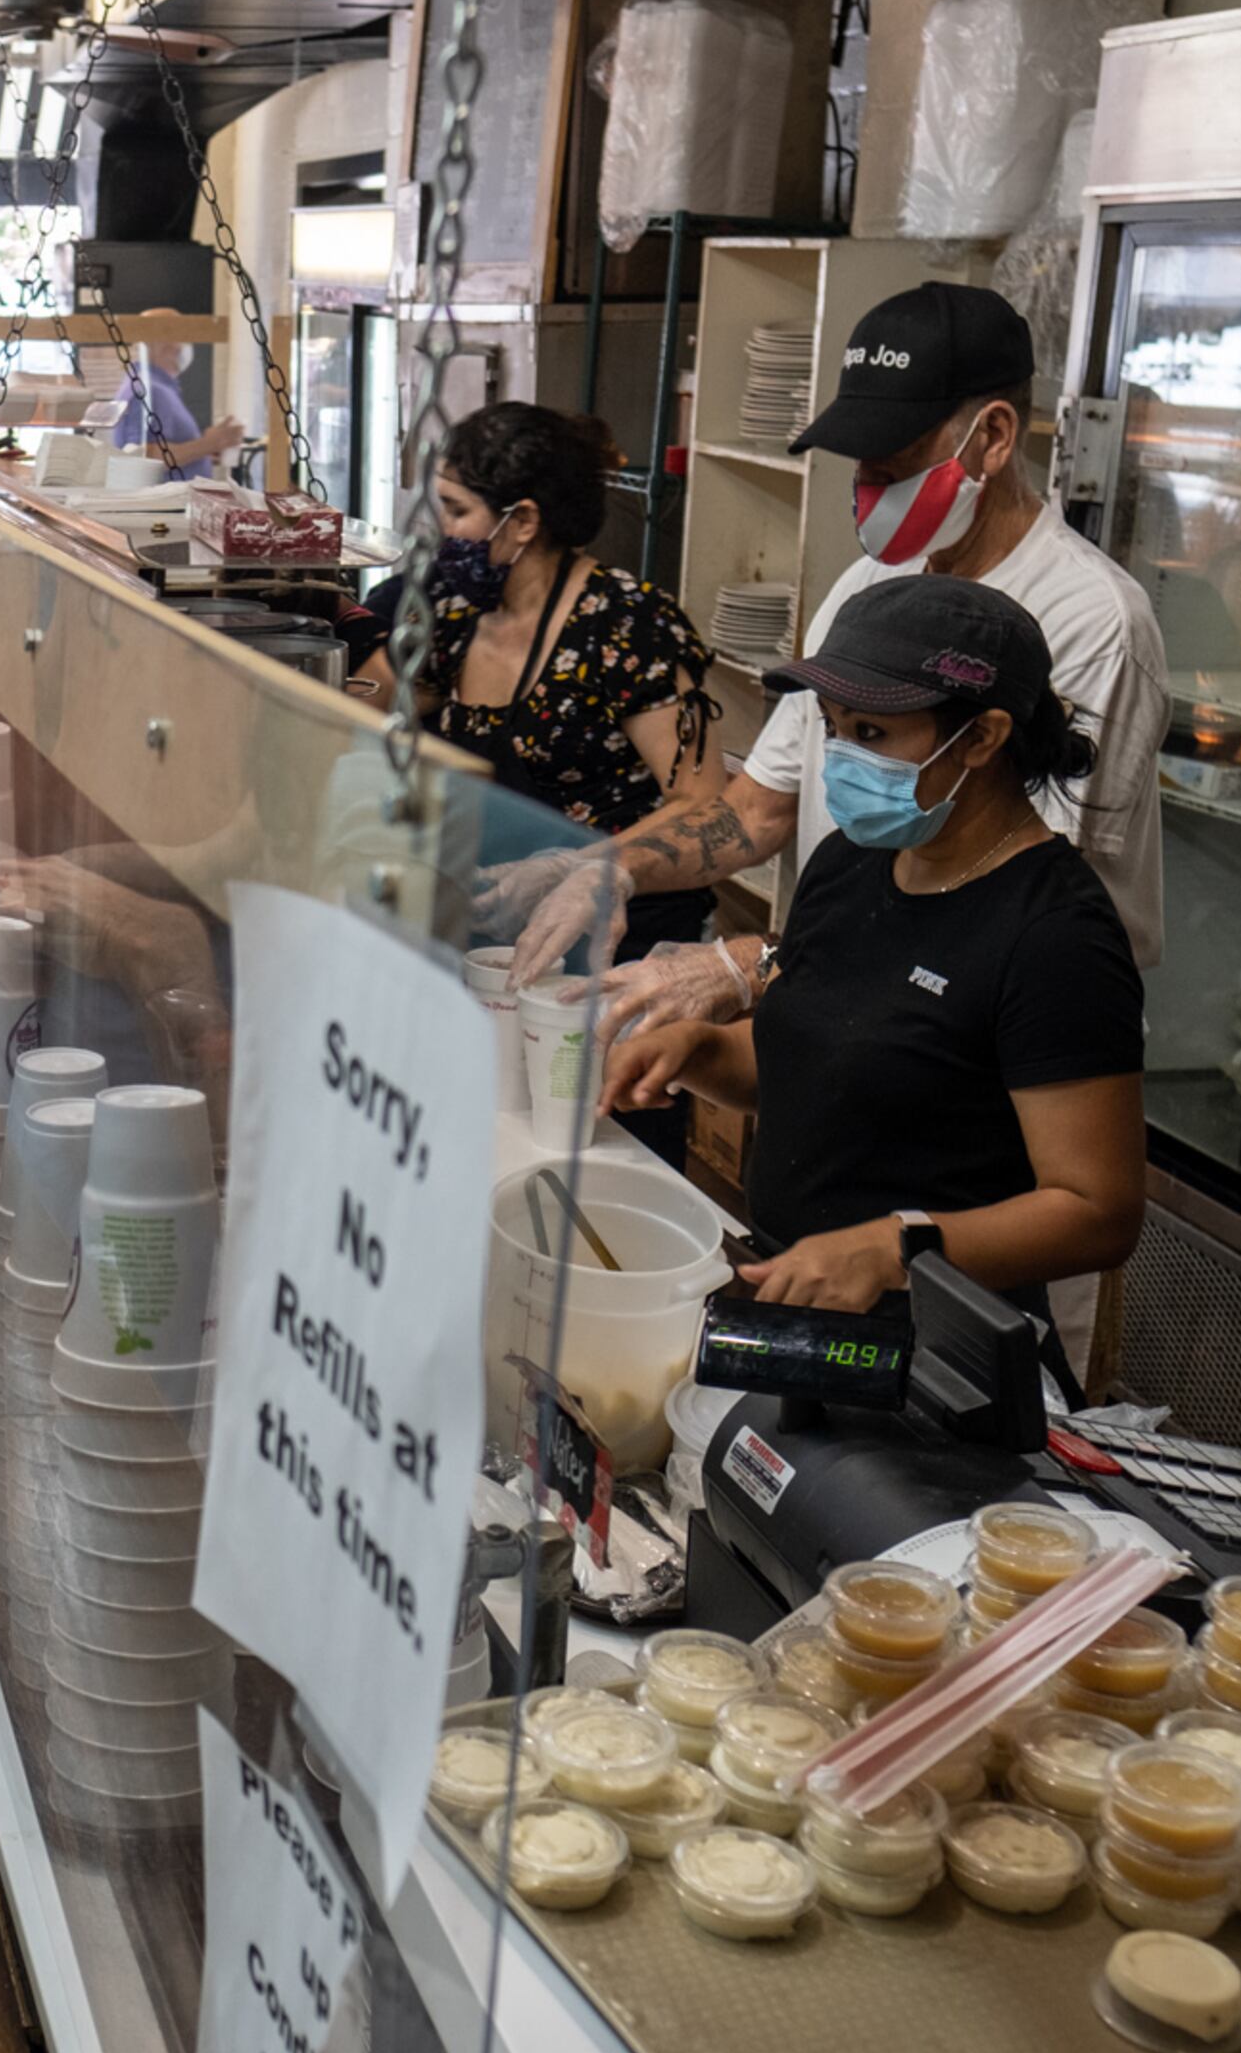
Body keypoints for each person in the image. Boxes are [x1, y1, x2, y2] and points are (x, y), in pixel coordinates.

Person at [508, 282, 1165, 1017]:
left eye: (893, 463)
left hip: (999, 1032)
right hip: (851, 1003)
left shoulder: (1092, 620)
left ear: (993, 437)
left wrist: (748, 963)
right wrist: (606, 867)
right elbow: (757, 810)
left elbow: (1015, 893)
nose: (865, 488)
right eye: (859, 463)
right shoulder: (871, 584)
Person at [594, 573, 1144, 1334]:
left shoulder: (1056, 935)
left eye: (872, 734)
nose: (841, 757)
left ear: (982, 737)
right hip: (796, 1297)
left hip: (936, 1339)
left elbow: (1097, 1213)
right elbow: (828, 1059)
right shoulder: (850, 863)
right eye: (833, 726)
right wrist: (699, 1050)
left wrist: (896, 1249)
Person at [417, 403, 724, 963]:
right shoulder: (457, 611)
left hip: (616, 934)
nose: (443, 528)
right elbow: (378, 705)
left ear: (523, 521)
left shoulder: (629, 624)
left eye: (456, 510)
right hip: (489, 927)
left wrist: (580, 869)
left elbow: (701, 802)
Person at [108, 340, 244, 478]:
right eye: (182, 338)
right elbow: (141, 456)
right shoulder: (150, 389)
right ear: (166, 343)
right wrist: (208, 444)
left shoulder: (157, 387)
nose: (185, 346)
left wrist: (204, 452)